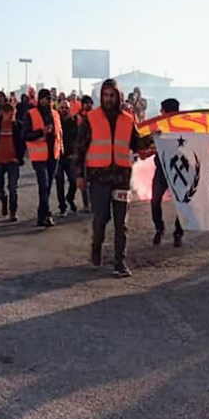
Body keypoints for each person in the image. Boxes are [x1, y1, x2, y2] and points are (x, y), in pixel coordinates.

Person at [75, 79, 151, 277]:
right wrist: (79, 176)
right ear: (102, 96)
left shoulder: (128, 119)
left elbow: (138, 144)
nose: (108, 99)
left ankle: (120, 262)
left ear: (118, 97)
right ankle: (96, 246)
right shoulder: (90, 119)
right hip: (98, 178)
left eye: (112, 95)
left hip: (121, 179)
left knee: (121, 223)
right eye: (106, 95)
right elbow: (79, 150)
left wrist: (155, 138)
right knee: (100, 219)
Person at [24, 88, 63, 227]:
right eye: (47, 99)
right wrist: (41, 132)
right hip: (39, 156)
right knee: (43, 185)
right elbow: (26, 135)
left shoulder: (55, 114)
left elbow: (59, 133)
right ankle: (47, 215)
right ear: (40, 99)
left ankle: (41, 215)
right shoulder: (31, 114)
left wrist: (61, 148)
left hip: (54, 155)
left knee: (47, 187)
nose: (49, 101)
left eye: (51, 99)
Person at [0, 96, 25, 222]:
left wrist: (19, 158)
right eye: (10, 114)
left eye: (13, 113)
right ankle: (3, 199)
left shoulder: (18, 126)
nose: (12, 116)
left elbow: (22, 143)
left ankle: (13, 212)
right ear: (3, 113)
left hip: (12, 161)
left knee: (13, 187)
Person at [151, 98, 184, 247]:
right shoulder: (159, 127)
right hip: (162, 170)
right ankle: (159, 228)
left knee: (182, 203)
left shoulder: (185, 129)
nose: (160, 112)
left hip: (179, 170)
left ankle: (178, 232)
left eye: (162, 110)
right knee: (155, 200)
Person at [55, 100, 79, 217]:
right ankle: (62, 207)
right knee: (59, 183)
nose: (64, 110)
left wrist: (75, 153)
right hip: (58, 156)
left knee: (73, 181)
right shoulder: (56, 121)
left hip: (70, 156)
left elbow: (78, 138)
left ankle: (69, 198)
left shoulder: (73, 121)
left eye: (66, 108)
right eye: (62, 107)